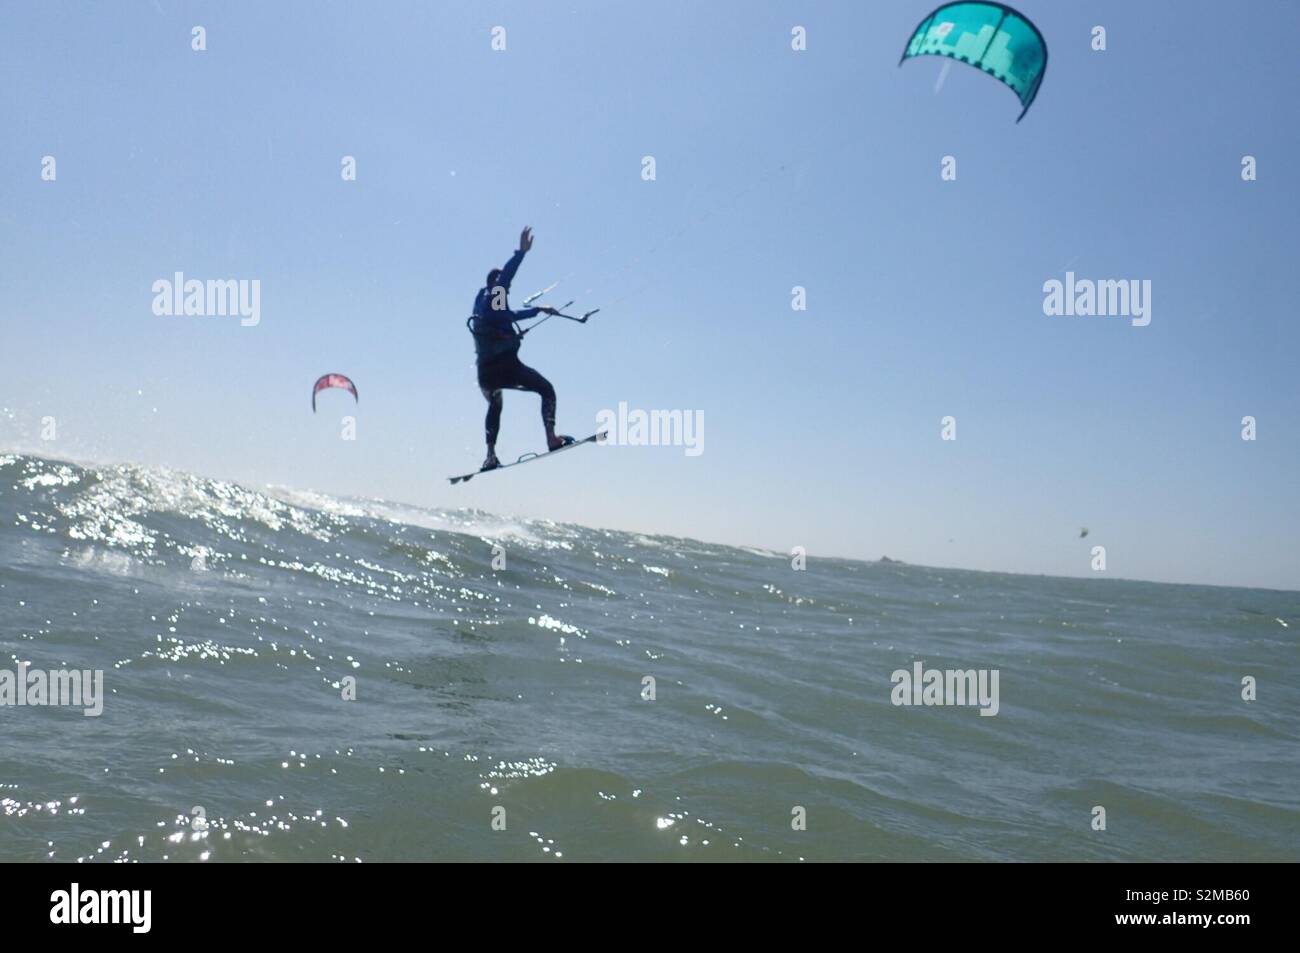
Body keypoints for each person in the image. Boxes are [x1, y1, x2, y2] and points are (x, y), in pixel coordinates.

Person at [469, 227, 573, 470]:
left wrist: (538, 310)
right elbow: (505, 279)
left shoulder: (483, 306)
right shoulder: (496, 294)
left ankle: (490, 456)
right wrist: (521, 253)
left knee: (495, 405)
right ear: (495, 286)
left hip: (485, 374)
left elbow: (508, 315)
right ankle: (552, 439)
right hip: (506, 367)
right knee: (547, 390)